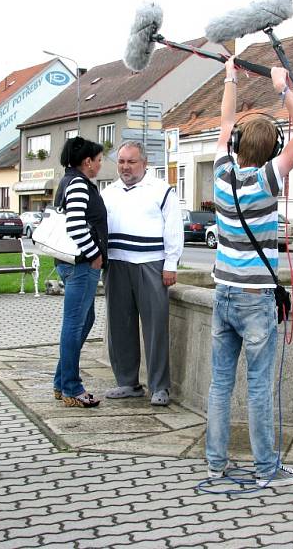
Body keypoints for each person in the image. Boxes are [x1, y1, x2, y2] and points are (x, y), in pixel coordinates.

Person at [206, 58, 293, 487]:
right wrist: (283, 87)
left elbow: (227, 118)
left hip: (223, 296)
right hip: (255, 301)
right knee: (257, 387)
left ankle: (216, 466)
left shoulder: (221, 174)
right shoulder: (269, 180)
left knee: (218, 385)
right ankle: (267, 469)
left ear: (235, 144)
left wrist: (231, 76)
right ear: (272, 150)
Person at [100, 141, 183, 407]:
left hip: (151, 263)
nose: (125, 167)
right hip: (117, 263)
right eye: (121, 161)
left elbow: (173, 227)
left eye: (131, 162)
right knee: (119, 325)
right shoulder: (109, 192)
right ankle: (127, 382)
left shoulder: (161, 190)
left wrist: (171, 263)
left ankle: (160, 386)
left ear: (144, 163)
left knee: (155, 326)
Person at [52, 136, 107, 408]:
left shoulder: (70, 180)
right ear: (87, 162)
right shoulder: (78, 185)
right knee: (74, 325)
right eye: (98, 160)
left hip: (74, 264)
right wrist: (94, 254)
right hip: (81, 265)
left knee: (83, 321)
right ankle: (72, 387)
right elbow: (75, 225)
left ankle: (61, 381)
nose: (100, 165)